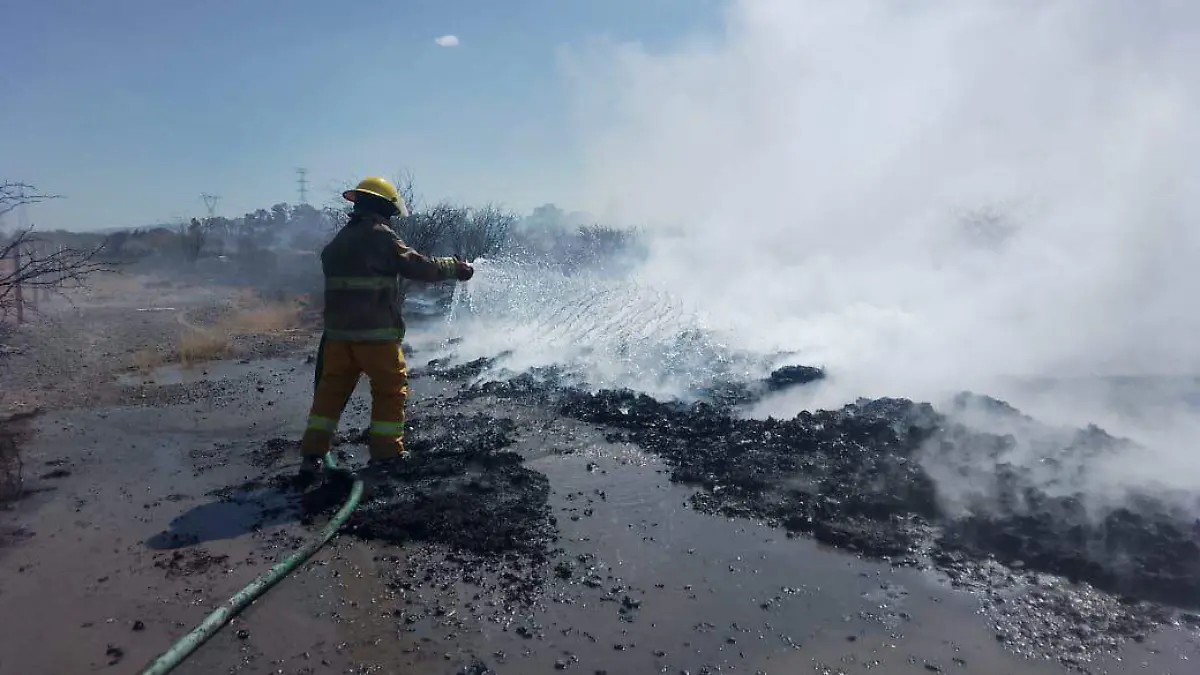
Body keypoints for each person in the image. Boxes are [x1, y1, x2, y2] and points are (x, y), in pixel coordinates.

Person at [298, 176, 474, 487]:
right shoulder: (381, 236)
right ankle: (386, 454)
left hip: (338, 337)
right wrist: (454, 268)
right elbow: (418, 266)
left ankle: (312, 455)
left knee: (329, 394)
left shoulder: (340, 241)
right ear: (383, 208)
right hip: (375, 336)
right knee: (390, 389)